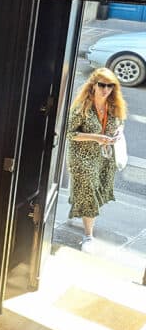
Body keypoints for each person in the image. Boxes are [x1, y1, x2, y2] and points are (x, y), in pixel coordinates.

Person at [66, 68, 127, 253]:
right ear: (93, 85)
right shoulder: (82, 107)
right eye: (102, 85)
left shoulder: (114, 105)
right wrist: (96, 137)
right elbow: (70, 134)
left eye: (110, 86)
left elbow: (121, 123)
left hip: (104, 156)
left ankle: (79, 205)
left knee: (95, 187)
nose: (106, 89)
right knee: (89, 190)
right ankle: (88, 235)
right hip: (82, 155)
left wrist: (118, 132)